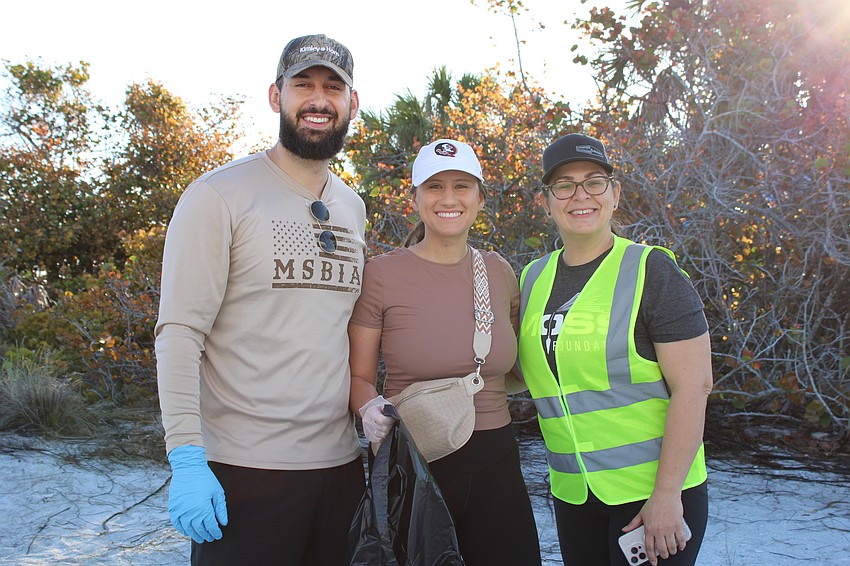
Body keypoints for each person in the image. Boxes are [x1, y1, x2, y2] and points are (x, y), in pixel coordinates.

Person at [154, 34, 366, 565]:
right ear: (276, 97)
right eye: (303, 85)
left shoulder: (351, 206)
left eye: (332, 88)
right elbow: (179, 332)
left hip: (341, 470)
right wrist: (186, 456)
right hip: (244, 476)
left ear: (351, 104)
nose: (318, 100)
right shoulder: (219, 196)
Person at [517, 133, 712, 566]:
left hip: (652, 497)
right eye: (563, 186)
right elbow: (526, 372)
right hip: (574, 495)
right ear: (545, 202)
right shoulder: (531, 279)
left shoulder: (651, 270)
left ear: (615, 193)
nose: (579, 195)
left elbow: (694, 387)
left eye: (594, 182)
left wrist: (666, 497)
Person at [348, 139, 542, 566]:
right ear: (414, 196)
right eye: (434, 187)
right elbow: (358, 378)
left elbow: (522, 363)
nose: (449, 199)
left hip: (497, 461)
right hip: (416, 461)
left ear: (480, 197)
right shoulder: (381, 275)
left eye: (462, 186)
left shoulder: (499, 271)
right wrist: (369, 410)